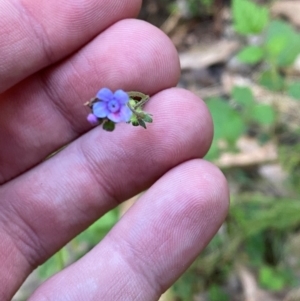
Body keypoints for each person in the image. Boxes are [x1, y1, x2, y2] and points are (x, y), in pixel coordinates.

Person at [0, 1, 229, 300]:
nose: (112, 107)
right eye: (110, 107)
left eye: (113, 107)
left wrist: (117, 111)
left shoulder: (117, 105)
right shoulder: (112, 105)